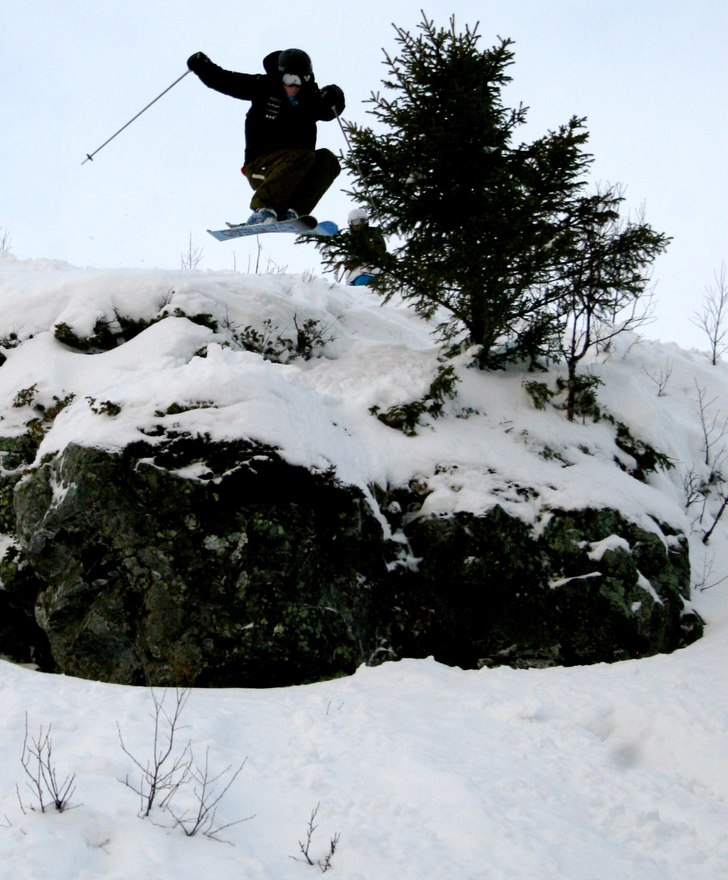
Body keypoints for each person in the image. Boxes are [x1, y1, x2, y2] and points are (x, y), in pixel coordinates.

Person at [187, 48, 345, 225]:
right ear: (280, 75)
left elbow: (328, 112)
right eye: (290, 79)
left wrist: (335, 97)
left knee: (328, 160)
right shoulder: (265, 87)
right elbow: (227, 81)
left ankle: (293, 212)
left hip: (295, 170)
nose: (295, 86)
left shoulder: (310, 99)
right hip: (261, 166)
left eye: (302, 79)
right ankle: (262, 209)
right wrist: (203, 67)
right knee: (303, 156)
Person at [341, 208, 387, 286]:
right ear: (350, 223)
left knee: (362, 286)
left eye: (361, 221)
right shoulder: (350, 239)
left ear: (365, 221)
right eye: (354, 222)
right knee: (351, 292)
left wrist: (360, 259)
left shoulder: (373, 233)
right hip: (352, 276)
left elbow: (380, 250)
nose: (357, 225)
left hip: (369, 271)